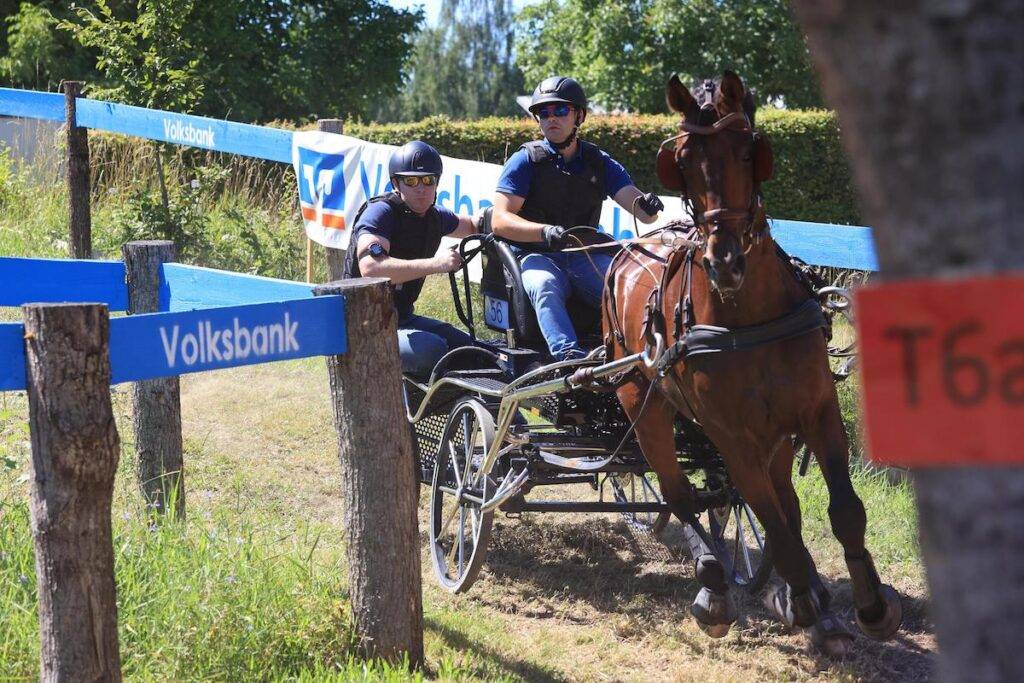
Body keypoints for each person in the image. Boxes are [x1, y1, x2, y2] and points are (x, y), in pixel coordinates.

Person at [491, 76, 665, 361]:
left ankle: (640, 352)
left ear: (579, 116)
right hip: (536, 256)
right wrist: (544, 232)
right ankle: (569, 359)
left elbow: (644, 215)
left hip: (583, 255)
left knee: (628, 285)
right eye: (543, 112)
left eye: (560, 110)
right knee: (544, 285)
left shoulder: (599, 162)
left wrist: (648, 205)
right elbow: (499, 220)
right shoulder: (525, 161)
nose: (551, 118)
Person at [342, 140, 478, 378]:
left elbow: (475, 225)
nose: (421, 188)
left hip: (400, 318)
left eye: (428, 180)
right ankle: (414, 398)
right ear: (396, 183)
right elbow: (371, 268)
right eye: (412, 181)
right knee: (431, 349)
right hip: (362, 324)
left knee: (471, 350)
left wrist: (506, 220)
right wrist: (437, 264)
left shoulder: (435, 217)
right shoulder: (380, 213)